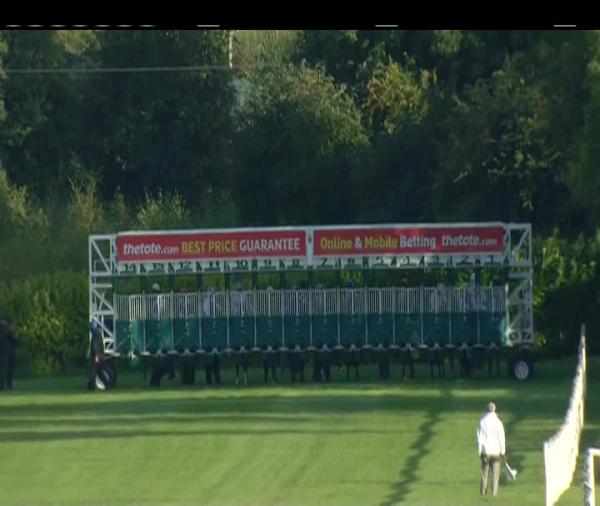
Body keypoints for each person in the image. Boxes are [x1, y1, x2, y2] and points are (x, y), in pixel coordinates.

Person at [477, 402, 506, 497]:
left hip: (485, 451)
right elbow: (501, 438)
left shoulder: (482, 422)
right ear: (494, 410)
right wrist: (502, 451)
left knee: (484, 473)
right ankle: (494, 492)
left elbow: (479, 438)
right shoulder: (498, 422)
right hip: (496, 451)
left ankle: (483, 492)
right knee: (495, 474)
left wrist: (479, 451)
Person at [0, 317, 17, 391]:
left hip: (8, 353)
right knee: (5, 370)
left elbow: (15, 343)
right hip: (5, 353)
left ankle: (7, 386)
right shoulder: (6, 331)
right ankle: (5, 386)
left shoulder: (9, 332)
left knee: (8, 370)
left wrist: (14, 335)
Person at [88, 320, 105, 390]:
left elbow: (95, 346)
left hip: (96, 355)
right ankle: (97, 385)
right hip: (99, 355)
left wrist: (96, 355)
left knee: (94, 371)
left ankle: (93, 385)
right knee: (98, 370)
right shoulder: (98, 334)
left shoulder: (95, 335)